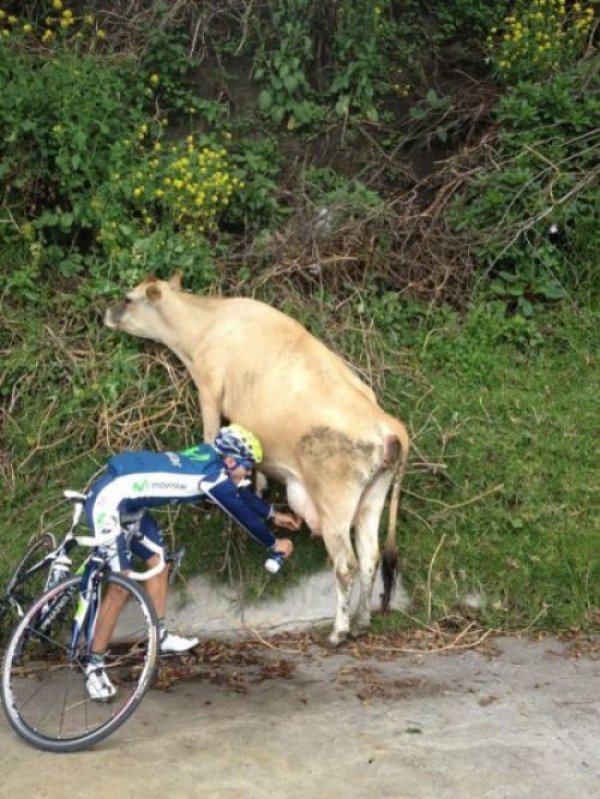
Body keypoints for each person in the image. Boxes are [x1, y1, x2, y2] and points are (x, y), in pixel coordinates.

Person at [83, 424, 302, 701]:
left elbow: (240, 493)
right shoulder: (211, 478)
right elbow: (241, 514)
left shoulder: (211, 455)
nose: (248, 474)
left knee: (158, 561)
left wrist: (271, 514)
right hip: (110, 500)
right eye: (247, 467)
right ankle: (94, 666)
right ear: (231, 460)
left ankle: (158, 635)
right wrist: (273, 544)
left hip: (132, 505)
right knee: (121, 584)